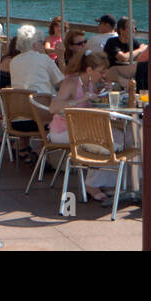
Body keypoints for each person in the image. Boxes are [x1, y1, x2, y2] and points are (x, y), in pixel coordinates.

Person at [48, 51, 115, 203]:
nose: (103, 75)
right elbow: (53, 108)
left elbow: (91, 104)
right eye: (101, 71)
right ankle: (92, 185)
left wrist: (104, 94)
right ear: (89, 70)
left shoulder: (90, 83)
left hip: (81, 129)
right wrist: (79, 100)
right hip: (63, 130)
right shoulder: (71, 83)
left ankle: (103, 182)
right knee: (101, 140)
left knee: (115, 136)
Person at [8, 25, 65, 96]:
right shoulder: (43, 58)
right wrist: (61, 57)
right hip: (42, 104)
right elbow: (63, 84)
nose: (43, 45)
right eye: (42, 42)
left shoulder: (13, 61)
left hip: (20, 103)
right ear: (34, 44)